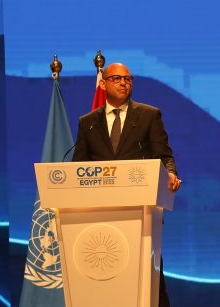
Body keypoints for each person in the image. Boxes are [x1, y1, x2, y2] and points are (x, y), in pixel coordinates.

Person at [72, 61, 181, 305]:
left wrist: (170, 173)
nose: (123, 83)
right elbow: (79, 168)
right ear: (103, 84)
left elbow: (164, 156)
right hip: (99, 217)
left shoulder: (149, 115)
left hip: (141, 213)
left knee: (149, 283)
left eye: (128, 79)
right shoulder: (88, 122)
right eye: (117, 79)